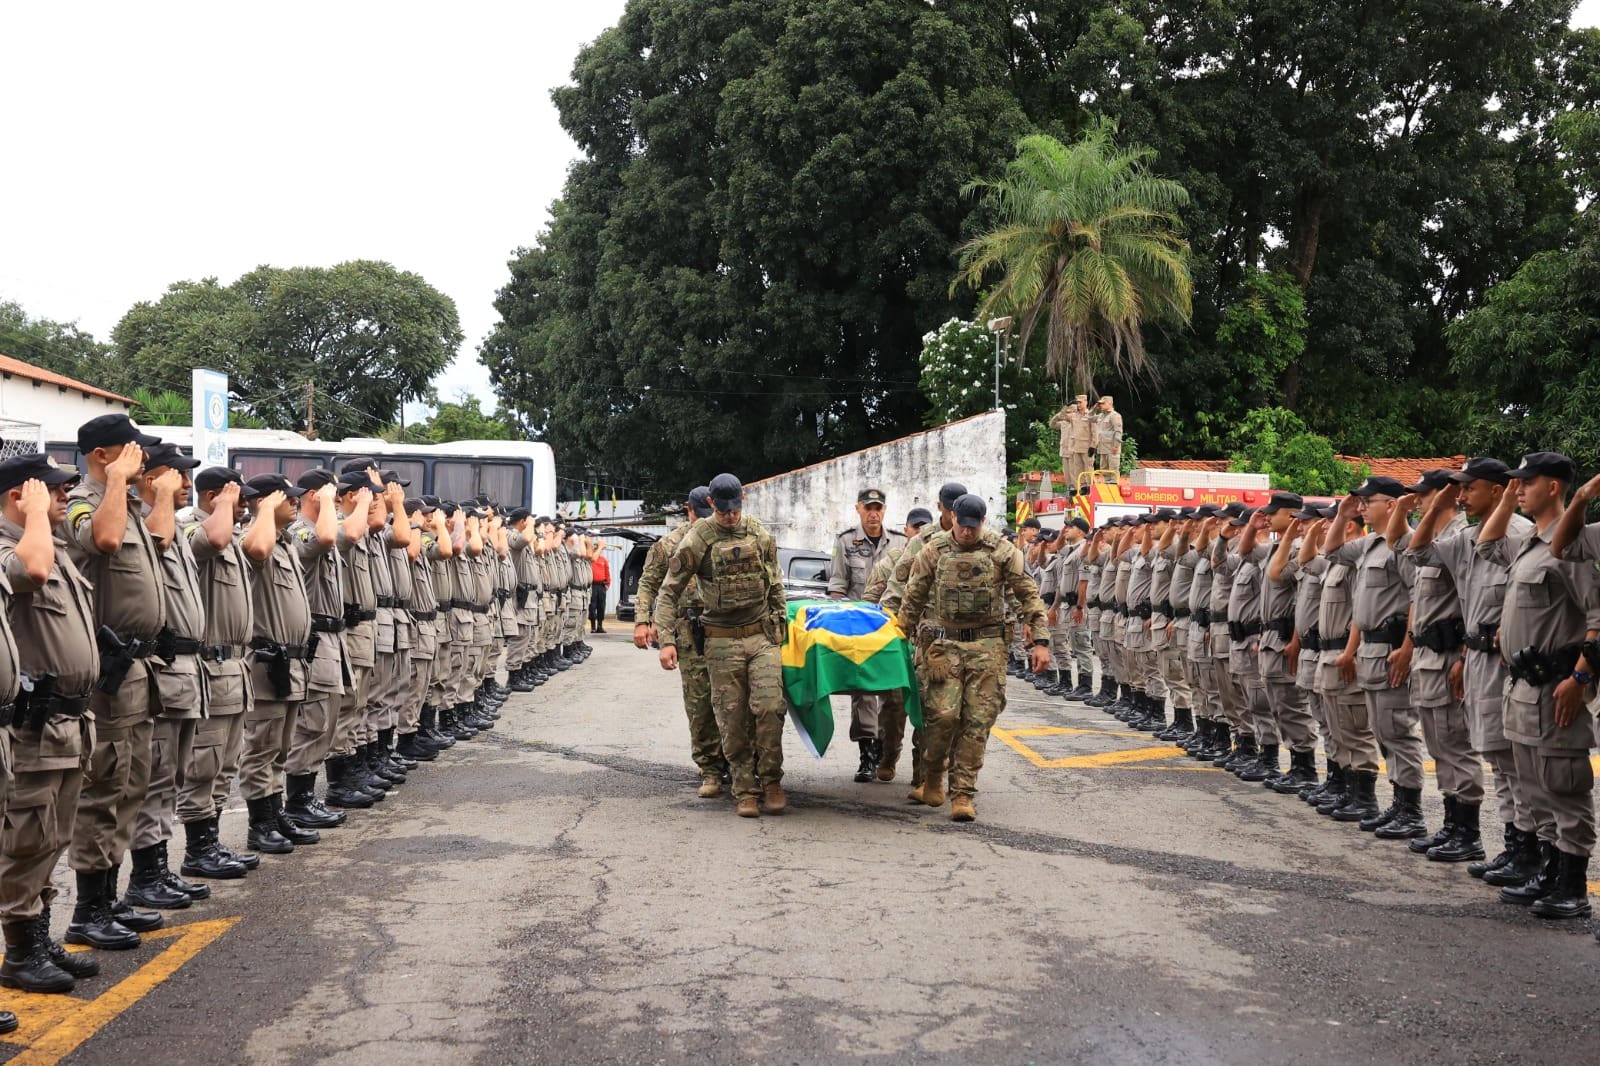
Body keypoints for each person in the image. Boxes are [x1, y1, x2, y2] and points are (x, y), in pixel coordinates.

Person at [62, 414, 169, 952]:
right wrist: (120, 483)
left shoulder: (125, 503)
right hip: (108, 675)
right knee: (103, 790)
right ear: (102, 456)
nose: (142, 459)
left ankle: (109, 897)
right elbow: (101, 540)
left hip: (137, 670)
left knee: (130, 786)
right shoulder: (85, 500)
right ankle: (87, 909)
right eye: (132, 451)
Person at [0, 455, 101, 999]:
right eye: (56, 492)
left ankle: (38, 937)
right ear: (20, 496)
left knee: (54, 836)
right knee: (28, 838)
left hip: (68, 721)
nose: (66, 498)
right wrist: (35, 516)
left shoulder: (55, 546)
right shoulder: (14, 546)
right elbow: (28, 574)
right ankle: (19, 950)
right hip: (34, 728)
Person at [1487, 452, 1600, 918]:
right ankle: (1551, 872)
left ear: (1554, 487)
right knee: (1535, 790)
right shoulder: (1528, 545)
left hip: (1557, 688)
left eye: (1526, 483)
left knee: (1564, 785)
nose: (1517, 490)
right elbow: (1489, 541)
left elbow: (1596, 617)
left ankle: (1572, 885)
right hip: (1522, 687)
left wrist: (1580, 678)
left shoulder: (1570, 547)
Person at [897, 493, 1050, 822]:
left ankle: (963, 793)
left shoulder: (1001, 550)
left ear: (982, 522)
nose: (967, 532)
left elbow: (1028, 594)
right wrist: (899, 635)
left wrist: (1040, 640)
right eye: (962, 525)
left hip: (986, 647)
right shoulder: (933, 550)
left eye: (973, 526)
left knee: (977, 722)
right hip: (943, 647)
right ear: (952, 518)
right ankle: (933, 778)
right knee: (941, 717)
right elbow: (914, 594)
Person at [654, 474, 788, 818]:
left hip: (760, 637)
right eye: (724, 510)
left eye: (736, 508)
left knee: (771, 708)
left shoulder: (758, 532)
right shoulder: (699, 537)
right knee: (731, 716)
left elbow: (775, 583)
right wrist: (666, 640)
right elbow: (669, 591)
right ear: (712, 503)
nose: (731, 516)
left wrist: (780, 628)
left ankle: (771, 781)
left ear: (742, 499)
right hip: (721, 640)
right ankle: (744, 788)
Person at [1324, 478, 1428, 839]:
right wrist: (1342, 514)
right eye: (1361, 501)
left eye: (1370, 501)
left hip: (1392, 649)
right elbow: (1332, 550)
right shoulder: (1370, 543)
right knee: (1383, 731)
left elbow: (1419, 596)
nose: (1363, 506)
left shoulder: (1405, 545)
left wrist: (1409, 647)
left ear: (1394, 504)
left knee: (1399, 731)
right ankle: (1398, 805)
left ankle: (1411, 810)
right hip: (1370, 650)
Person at [173, 466, 259, 877]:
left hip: (234, 667)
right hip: (209, 666)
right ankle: (196, 851)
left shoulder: (234, 537)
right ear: (213, 498)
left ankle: (211, 843)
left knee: (225, 765)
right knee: (202, 765)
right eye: (240, 500)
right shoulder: (189, 529)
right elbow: (214, 538)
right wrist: (224, 505)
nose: (245, 508)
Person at [635, 488, 727, 798]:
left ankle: (736, 761)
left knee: (732, 701)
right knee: (700, 703)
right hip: (690, 630)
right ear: (690, 510)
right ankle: (710, 767)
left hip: (726, 629)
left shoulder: (725, 538)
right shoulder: (670, 544)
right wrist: (644, 624)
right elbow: (648, 584)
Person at [284, 469, 361, 819]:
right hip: (314, 639)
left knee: (326, 722)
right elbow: (328, 538)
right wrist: (328, 501)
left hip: (333, 638)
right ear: (315, 495)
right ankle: (297, 802)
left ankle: (306, 796)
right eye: (329, 490)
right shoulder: (302, 530)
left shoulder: (320, 529)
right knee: (312, 724)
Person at [827, 488, 909, 782]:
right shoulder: (846, 541)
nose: (873, 513)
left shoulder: (901, 542)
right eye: (868, 507)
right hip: (858, 628)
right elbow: (837, 588)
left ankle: (886, 749)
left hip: (892, 629)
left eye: (878, 507)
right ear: (858, 509)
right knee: (861, 691)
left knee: (892, 693)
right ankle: (867, 755)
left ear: (884, 510)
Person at [1092, 396, 1124, 477]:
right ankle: (1106, 488)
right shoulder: (1100, 416)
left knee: (1113, 471)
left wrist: (1116, 446)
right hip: (1103, 449)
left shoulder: (1114, 415)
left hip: (1112, 449)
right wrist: (1094, 409)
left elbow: (1118, 432)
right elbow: (1088, 418)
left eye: (1103, 403)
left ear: (1110, 404)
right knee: (1104, 472)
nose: (1101, 405)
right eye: (1100, 404)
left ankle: (1113, 488)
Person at [590, 546, 610, 634]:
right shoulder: (590, 559)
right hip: (592, 585)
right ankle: (593, 626)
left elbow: (607, 573)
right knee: (592, 606)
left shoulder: (603, 560)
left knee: (601, 606)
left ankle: (600, 626)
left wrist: (608, 584)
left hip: (601, 585)